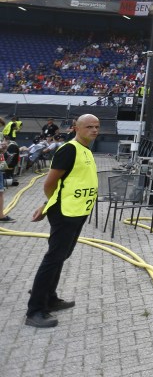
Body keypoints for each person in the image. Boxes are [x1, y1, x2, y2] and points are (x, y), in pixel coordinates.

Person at [25, 113, 100, 328]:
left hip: (78, 211)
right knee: (54, 258)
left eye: (97, 127)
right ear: (76, 127)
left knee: (62, 255)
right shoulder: (69, 149)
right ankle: (35, 310)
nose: (94, 130)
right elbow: (49, 184)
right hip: (65, 213)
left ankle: (50, 297)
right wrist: (50, 206)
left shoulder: (85, 150)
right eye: (89, 126)